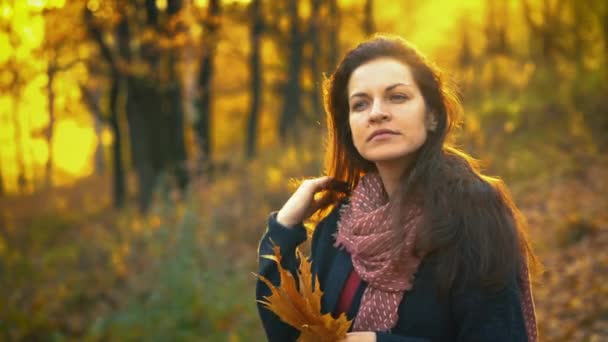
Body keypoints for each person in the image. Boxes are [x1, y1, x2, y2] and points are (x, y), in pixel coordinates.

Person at [256, 35, 540, 342]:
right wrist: (283, 228)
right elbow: (293, 335)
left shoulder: (474, 218)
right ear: (349, 128)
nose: (376, 112)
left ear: (432, 116)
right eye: (360, 104)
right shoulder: (341, 228)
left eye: (397, 97)